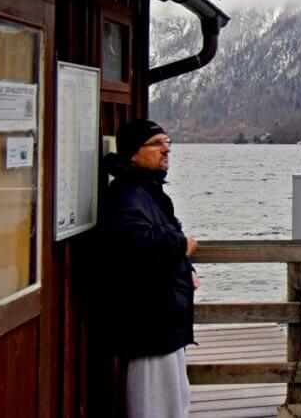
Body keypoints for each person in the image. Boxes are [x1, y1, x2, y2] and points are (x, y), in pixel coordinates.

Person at [102, 119, 199, 418]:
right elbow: (136, 246)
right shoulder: (128, 195)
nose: (166, 149)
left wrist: (186, 268)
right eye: (156, 144)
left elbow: (160, 234)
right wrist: (180, 246)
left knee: (173, 403)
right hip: (149, 325)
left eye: (167, 142)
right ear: (133, 153)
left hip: (163, 323)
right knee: (153, 406)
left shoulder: (148, 191)